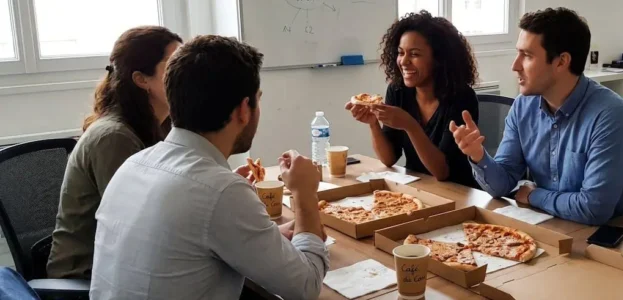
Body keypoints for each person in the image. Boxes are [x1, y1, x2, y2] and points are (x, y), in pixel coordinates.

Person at [89, 35, 328, 299]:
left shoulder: (134, 165)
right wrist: (305, 196)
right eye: (258, 99)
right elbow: (306, 287)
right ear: (244, 109)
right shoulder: (220, 191)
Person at [450, 8, 623, 225]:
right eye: (518, 53)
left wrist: (532, 195)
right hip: (550, 225)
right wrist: (478, 155)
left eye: (527, 56)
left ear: (561, 62)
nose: (515, 65)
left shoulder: (610, 116)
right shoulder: (524, 106)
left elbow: (594, 208)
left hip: (605, 241)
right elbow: (502, 185)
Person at [47, 26, 183, 279]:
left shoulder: (161, 125)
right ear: (142, 79)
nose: (186, 74)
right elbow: (136, 226)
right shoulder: (114, 138)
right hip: (88, 275)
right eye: (174, 64)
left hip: (125, 262)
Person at [346, 10, 480, 188]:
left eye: (415, 54)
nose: (404, 61)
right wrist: (373, 124)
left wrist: (410, 125)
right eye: (401, 53)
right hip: (417, 187)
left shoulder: (461, 97)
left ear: (438, 59)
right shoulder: (398, 90)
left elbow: (442, 172)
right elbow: (389, 159)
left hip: (457, 192)